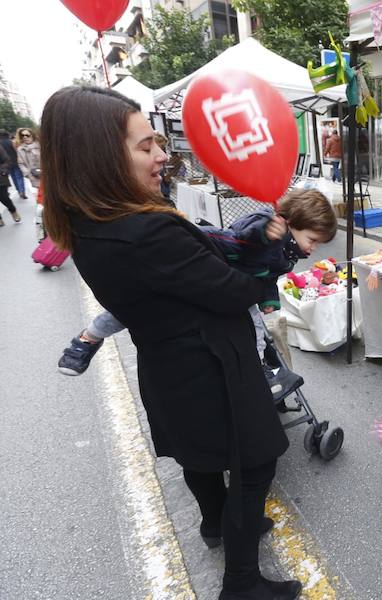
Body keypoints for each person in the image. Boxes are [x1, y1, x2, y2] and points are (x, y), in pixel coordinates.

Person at [41, 86, 302, 600]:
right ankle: (242, 584)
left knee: (198, 457)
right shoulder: (145, 230)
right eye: (145, 147)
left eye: (157, 142)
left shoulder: (88, 224)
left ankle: (213, 524)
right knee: (255, 464)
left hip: (166, 362)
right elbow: (233, 293)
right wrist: (277, 257)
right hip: (211, 365)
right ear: (99, 156)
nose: (163, 155)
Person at [57, 189, 337, 397]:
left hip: (234, 288)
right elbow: (242, 234)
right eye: (312, 239)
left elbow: (268, 274)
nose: (312, 248)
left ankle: (260, 370)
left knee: (258, 332)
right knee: (133, 308)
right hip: (205, 261)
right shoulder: (268, 223)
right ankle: (87, 338)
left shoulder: (291, 251)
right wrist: (265, 233)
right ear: (292, 222)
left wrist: (268, 300)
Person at [0, 129, 26, 199]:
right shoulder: (11, 142)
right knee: (19, 177)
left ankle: (17, 190)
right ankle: (21, 191)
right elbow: (16, 151)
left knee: (13, 177)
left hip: (5, 164)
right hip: (15, 162)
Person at [0, 142, 22, 225]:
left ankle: (13, 210)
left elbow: (7, 160)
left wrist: (3, 171)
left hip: (0, 179)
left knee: (4, 198)